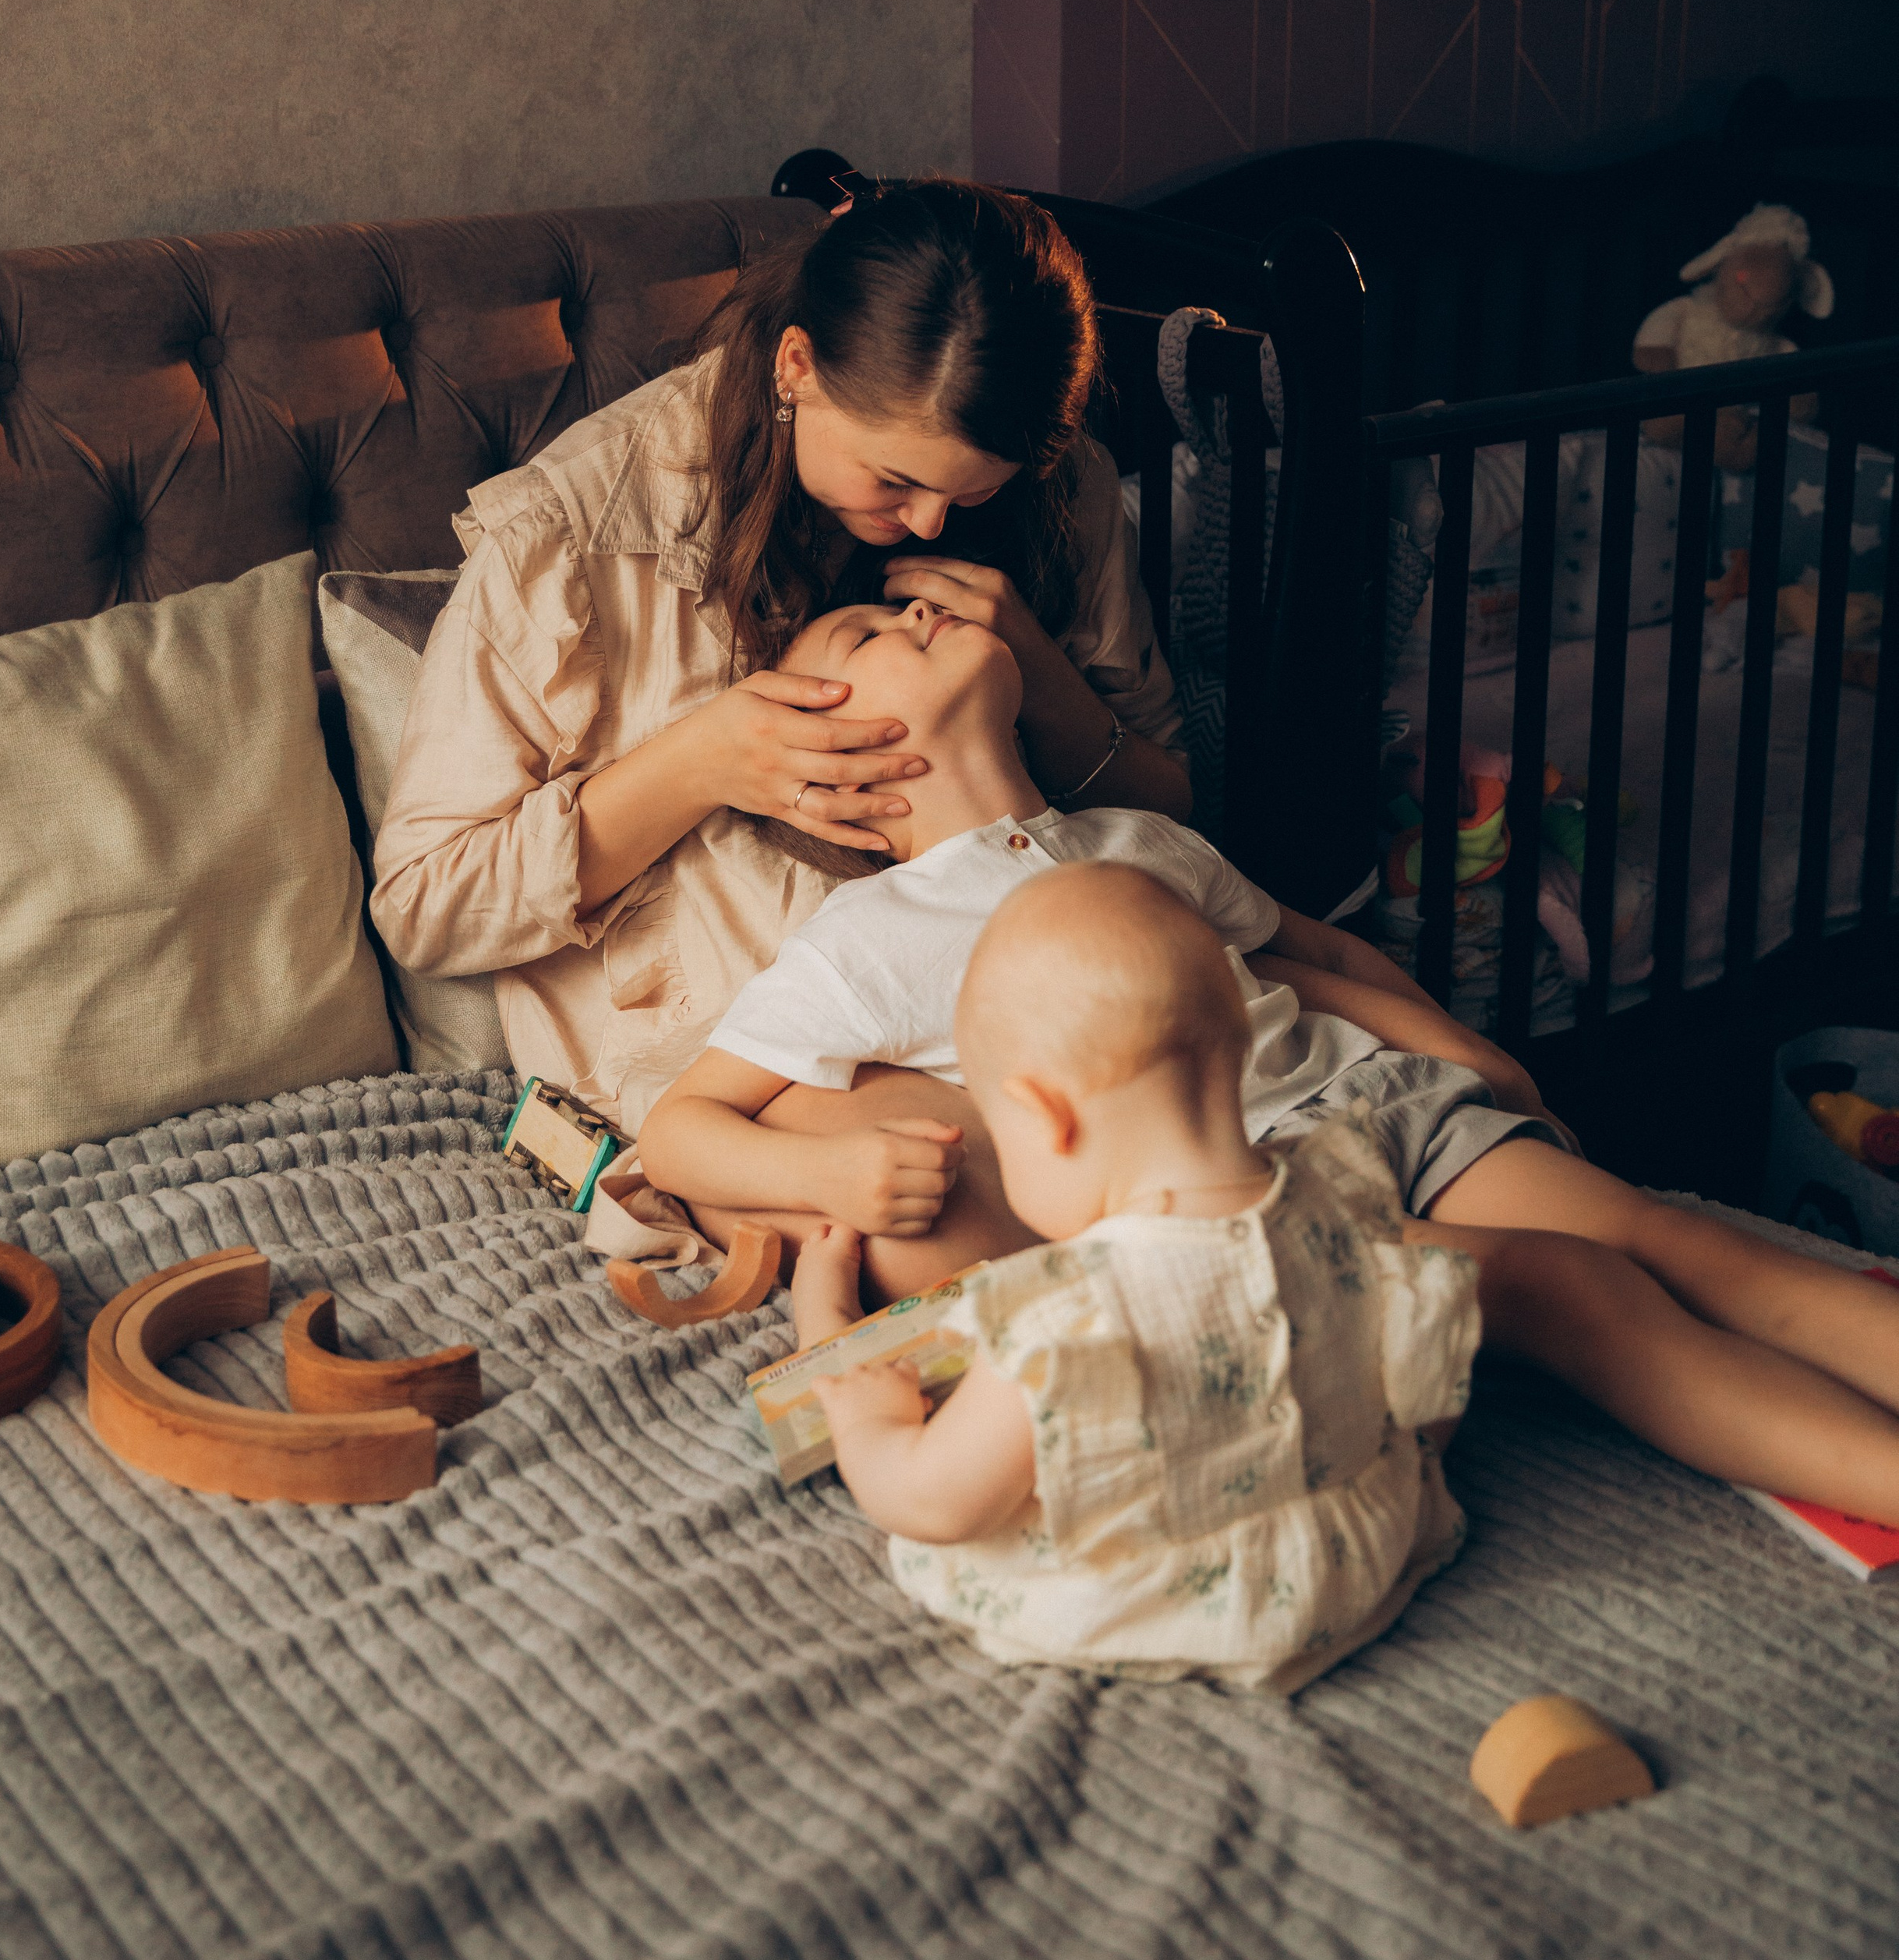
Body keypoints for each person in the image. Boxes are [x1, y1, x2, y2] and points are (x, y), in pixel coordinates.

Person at [639, 589, 1899, 1526]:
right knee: (1588, 1296)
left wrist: (1476, 1058)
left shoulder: (1134, 836)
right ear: (843, 769)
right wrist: (839, 1183)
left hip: (1380, 1101)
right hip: (1265, 1202)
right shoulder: (872, 937)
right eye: (866, 633)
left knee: (1666, 1236)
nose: (916, 601)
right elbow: (680, 1129)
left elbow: (1327, 961)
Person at [370, 182, 1190, 1218]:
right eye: (894, 479)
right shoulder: (572, 538)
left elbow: (1170, 808)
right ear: (796, 366)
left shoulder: (1057, 492)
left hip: (1027, 984)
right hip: (757, 1067)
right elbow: (426, 905)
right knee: (1010, 1183)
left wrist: (1040, 670)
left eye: (974, 489)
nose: (934, 521)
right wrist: (697, 764)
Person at [794, 865, 1483, 1693]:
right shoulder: (1343, 1192)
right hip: (1354, 1561)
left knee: (925, 1463)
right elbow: (1422, 1391)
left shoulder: (1072, 1307)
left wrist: (864, 1410)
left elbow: (938, 1504)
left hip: (1186, 1601)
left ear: (1046, 1115)